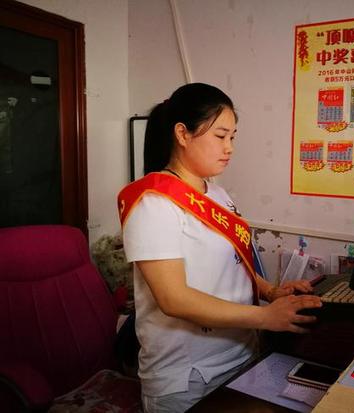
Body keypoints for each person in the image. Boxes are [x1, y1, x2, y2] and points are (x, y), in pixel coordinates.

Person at [117, 83, 322, 412]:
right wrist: (265, 317)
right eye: (220, 136)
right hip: (189, 375)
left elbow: (233, 264)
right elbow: (173, 299)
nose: (229, 148)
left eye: (233, 137)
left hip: (240, 353)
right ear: (182, 134)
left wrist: (271, 292)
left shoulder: (217, 194)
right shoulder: (153, 203)